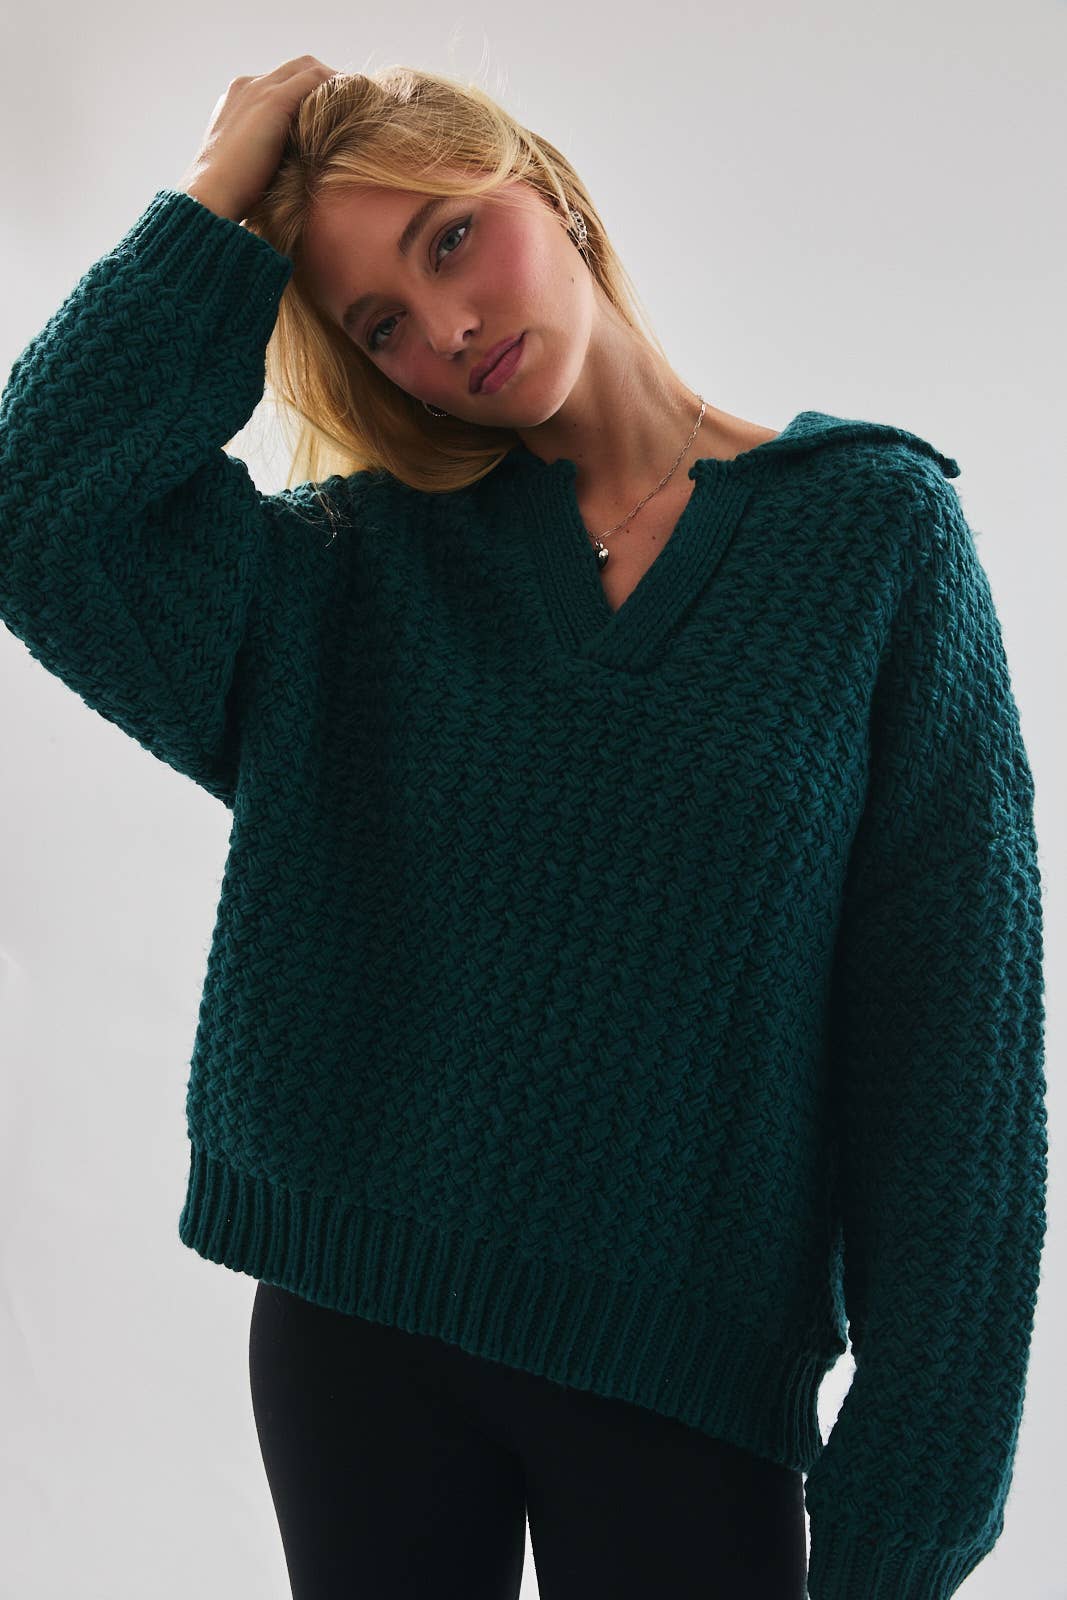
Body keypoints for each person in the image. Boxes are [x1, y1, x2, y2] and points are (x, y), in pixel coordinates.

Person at [0, 54, 1047, 1600]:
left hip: (684, 1379)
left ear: (544, 188)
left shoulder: (873, 537)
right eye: (379, 325)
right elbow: (35, 511)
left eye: (448, 239)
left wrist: (911, 1511)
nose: (444, 328)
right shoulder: (348, 574)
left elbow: (954, 1055)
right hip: (357, 1338)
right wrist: (217, 201)